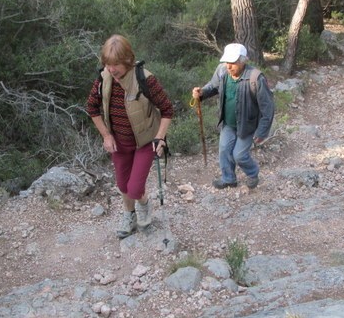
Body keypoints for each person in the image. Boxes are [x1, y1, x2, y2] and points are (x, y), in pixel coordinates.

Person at [86, 35, 173, 238]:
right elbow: (91, 108)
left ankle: (143, 205)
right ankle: (129, 215)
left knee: (134, 188)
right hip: (118, 142)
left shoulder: (145, 78)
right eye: (107, 64)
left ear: (127, 61)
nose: (111, 69)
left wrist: (159, 138)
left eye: (115, 64)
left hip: (144, 143)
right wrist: (106, 136)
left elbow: (167, 110)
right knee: (123, 185)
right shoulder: (103, 78)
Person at [191, 43, 274, 190]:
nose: (229, 66)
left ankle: (253, 173)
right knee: (224, 150)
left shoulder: (255, 77)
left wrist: (262, 132)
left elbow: (267, 108)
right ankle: (228, 179)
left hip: (247, 125)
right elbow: (213, 86)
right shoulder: (222, 71)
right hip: (228, 123)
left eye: (233, 62)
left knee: (239, 155)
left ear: (243, 61)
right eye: (227, 62)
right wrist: (202, 92)